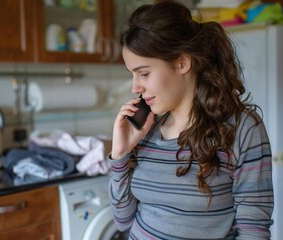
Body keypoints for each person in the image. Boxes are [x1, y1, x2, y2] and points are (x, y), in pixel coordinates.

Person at [108, 0, 274, 239]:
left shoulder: (242, 128)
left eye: (143, 73)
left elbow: (253, 230)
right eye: (132, 75)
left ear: (182, 63)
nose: (135, 87)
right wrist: (121, 153)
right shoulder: (147, 130)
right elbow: (122, 220)